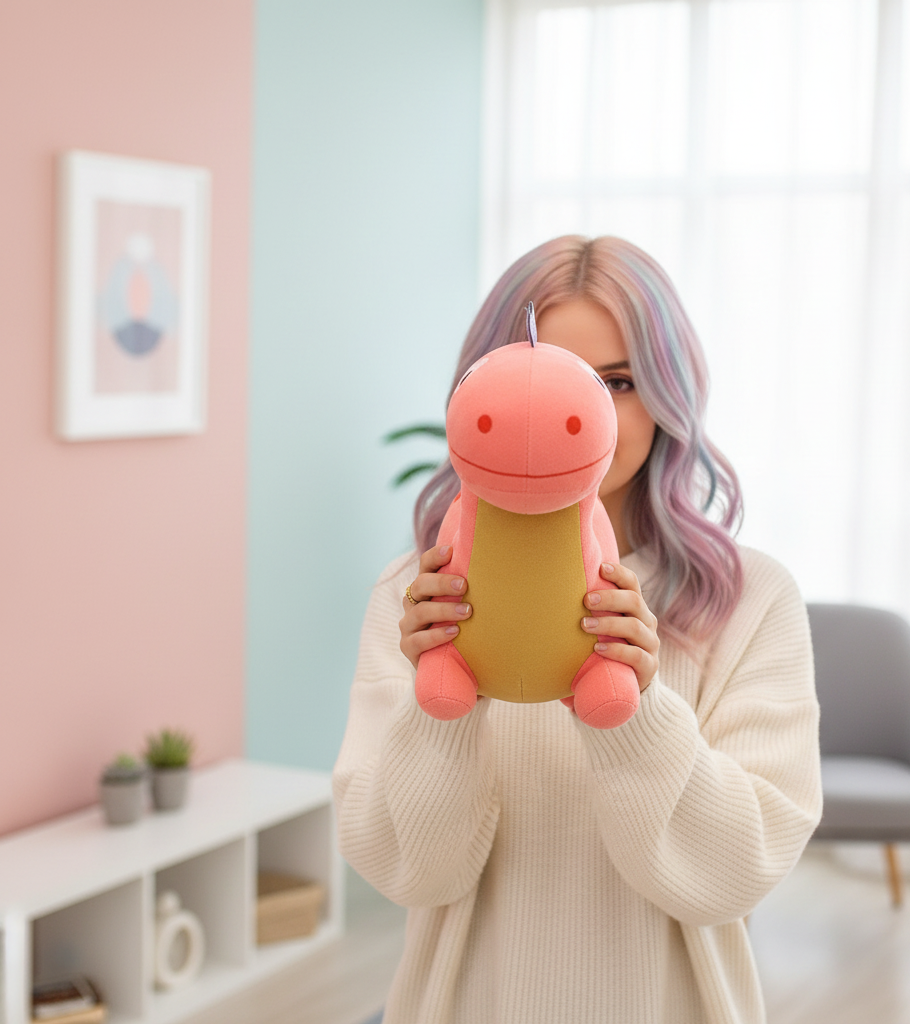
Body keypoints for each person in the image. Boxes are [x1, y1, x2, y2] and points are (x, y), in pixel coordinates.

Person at [333, 236, 822, 1024]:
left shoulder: (749, 600)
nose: (575, 411)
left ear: (668, 395)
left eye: (619, 381)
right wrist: (442, 709)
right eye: (551, 372)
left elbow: (741, 869)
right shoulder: (416, 601)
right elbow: (405, 870)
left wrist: (637, 714)